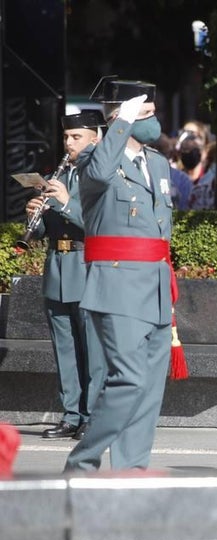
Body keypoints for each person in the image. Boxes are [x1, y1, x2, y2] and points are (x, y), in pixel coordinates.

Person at [65, 79, 178, 472]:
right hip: (117, 285)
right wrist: (120, 125)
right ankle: (82, 465)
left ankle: (132, 470)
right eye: (143, 114)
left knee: (148, 389)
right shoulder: (95, 158)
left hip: (156, 286)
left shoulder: (159, 163)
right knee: (128, 379)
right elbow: (96, 178)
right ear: (120, 118)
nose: (153, 121)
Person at [29, 109, 107, 440]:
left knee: (93, 350)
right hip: (58, 269)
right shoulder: (58, 176)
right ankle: (71, 414)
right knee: (65, 350)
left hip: (87, 267)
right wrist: (37, 215)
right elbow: (48, 229)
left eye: (77, 137)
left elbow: (103, 227)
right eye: (66, 137)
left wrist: (64, 204)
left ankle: (92, 416)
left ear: (97, 138)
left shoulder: (103, 177)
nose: (69, 143)